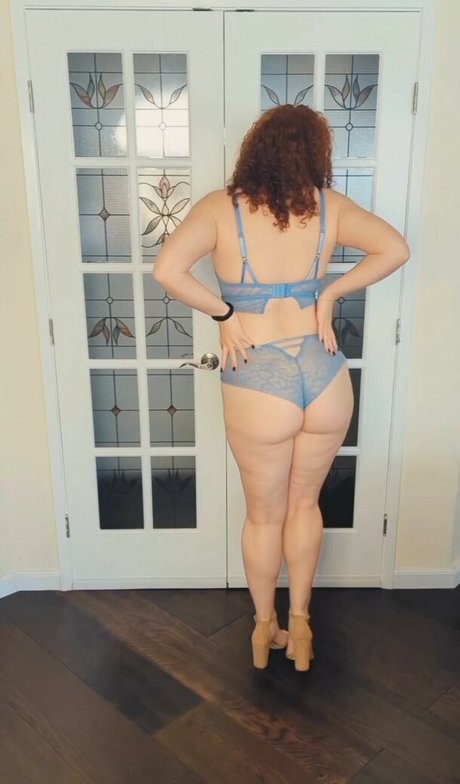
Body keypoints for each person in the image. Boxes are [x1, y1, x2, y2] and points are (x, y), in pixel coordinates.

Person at [153, 104, 410, 671]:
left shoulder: (220, 208)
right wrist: (329, 293)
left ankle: (263, 629)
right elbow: (396, 248)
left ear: (256, 149)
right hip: (324, 371)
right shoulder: (330, 207)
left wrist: (225, 314)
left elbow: (167, 270)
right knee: (304, 505)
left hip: (258, 375)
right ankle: (302, 626)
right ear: (317, 153)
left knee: (264, 516)